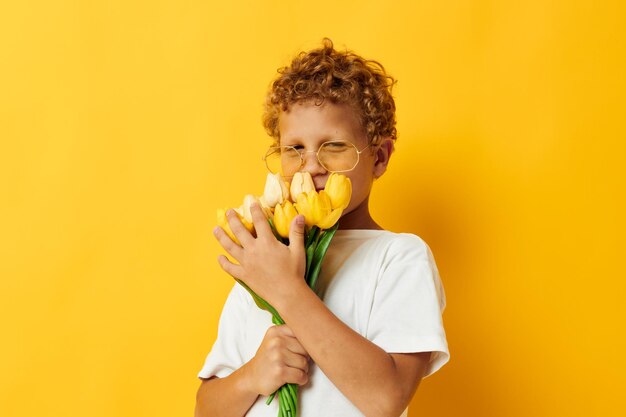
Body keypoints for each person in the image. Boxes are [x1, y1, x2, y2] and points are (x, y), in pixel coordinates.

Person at [195, 38, 449, 417]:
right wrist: (252, 375)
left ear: (378, 158)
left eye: (333, 146)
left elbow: (386, 399)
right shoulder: (264, 259)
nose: (311, 166)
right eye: (293, 149)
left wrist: (287, 291)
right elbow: (205, 409)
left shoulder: (399, 258)